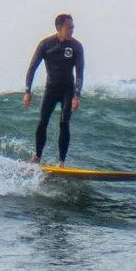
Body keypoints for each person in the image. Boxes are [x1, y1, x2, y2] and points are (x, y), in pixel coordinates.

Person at [22, 13, 86, 165]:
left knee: (64, 123)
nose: (72, 30)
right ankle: (37, 157)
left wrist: (76, 96)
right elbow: (32, 68)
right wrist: (27, 91)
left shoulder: (76, 46)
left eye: (73, 27)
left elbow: (80, 74)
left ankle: (61, 161)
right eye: (69, 27)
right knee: (42, 121)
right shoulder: (46, 44)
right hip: (51, 89)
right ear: (59, 28)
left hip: (67, 90)